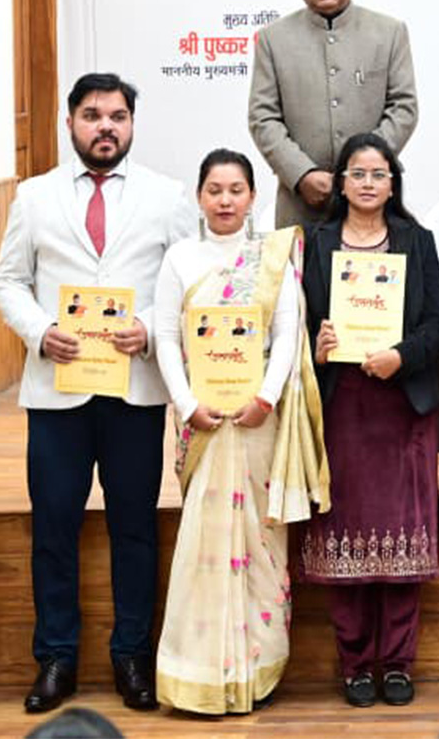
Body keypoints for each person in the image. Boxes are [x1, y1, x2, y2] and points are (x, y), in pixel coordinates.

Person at [0, 72, 198, 714]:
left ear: (132, 124)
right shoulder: (33, 197)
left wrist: (153, 332)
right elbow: (8, 283)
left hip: (135, 390)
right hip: (58, 392)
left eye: (116, 116)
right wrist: (40, 330)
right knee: (54, 527)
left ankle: (132, 656)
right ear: (69, 122)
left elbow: (188, 284)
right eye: (91, 115)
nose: (104, 126)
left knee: (133, 527)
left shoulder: (167, 198)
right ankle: (56, 657)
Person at [151, 149, 326, 715]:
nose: (225, 201)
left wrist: (265, 398)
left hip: (257, 421)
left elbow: (287, 330)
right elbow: (165, 337)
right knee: (204, 540)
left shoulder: (271, 257)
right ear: (198, 197)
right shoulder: (180, 258)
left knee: (262, 541)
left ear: (253, 197)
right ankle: (198, 669)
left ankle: (257, 665)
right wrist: (185, 403)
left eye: (236, 190)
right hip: (202, 420)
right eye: (214, 190)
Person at [298, 133, 439, 708]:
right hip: (343, 405)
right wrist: (318, 343)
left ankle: (398, 664)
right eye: (356, 173)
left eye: (377, 174)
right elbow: (300, 321)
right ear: (340, 183)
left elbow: (438, 323)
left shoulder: (417, 241)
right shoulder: (318, 242)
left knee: (401, 537)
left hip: (400, 406)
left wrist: (402, 356)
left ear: (393, 183)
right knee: (344, 535)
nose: (366, 183)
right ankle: (356, 664)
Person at [248, 0, 419, 228]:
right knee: (303, 274)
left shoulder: (389, 32)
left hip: (373, 202)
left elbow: (404, 108)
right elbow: (263, 117)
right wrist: (301, 174)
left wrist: (362, 171)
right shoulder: (273, 39)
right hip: (302, 203)